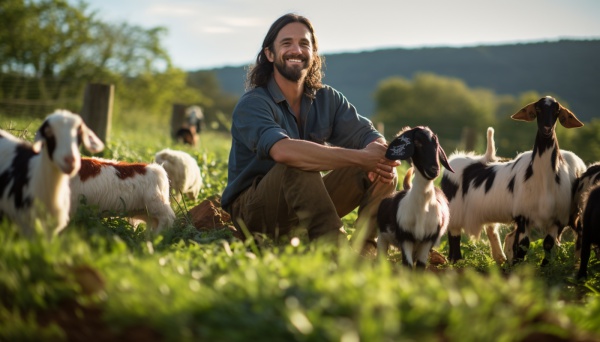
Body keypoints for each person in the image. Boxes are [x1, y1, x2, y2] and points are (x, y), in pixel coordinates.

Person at [221, 13, 399, 249]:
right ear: (270, 54)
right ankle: (335, 251)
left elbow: (368, 135)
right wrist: (361, 157)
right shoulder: (253, 103)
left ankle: (364, 248)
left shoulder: (327, 98)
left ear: (314, 54)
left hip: (306, 203)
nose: (296, 50)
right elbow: (284, 152)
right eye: (287, 43)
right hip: (255, 213)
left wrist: (377, 152)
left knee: (384, 168)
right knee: (297, 163)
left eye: (304, 44)